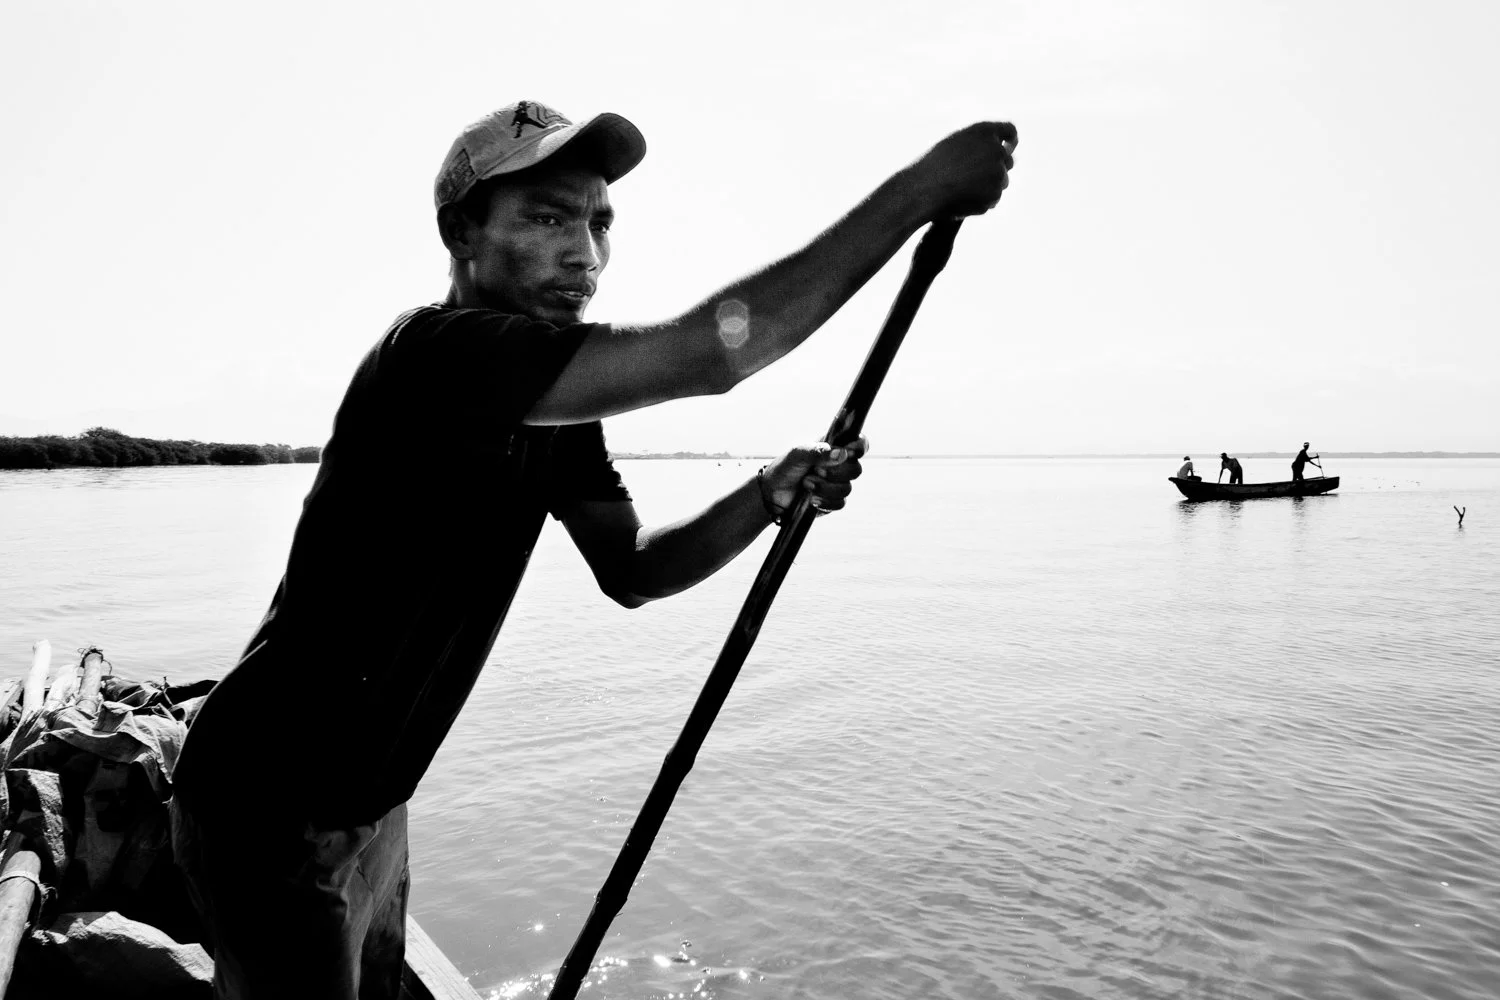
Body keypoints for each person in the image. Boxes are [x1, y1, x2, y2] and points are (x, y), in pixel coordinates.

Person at [168, 99, 1018, 999]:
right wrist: (917, 194)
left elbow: (635, 569)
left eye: (598, 222)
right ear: (461, 232)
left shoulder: (557, 410)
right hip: (265, 804)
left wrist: (765, 494)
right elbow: (715, 354)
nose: (585, 253)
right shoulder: (438, 355)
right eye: (545, 218)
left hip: (371, 804)